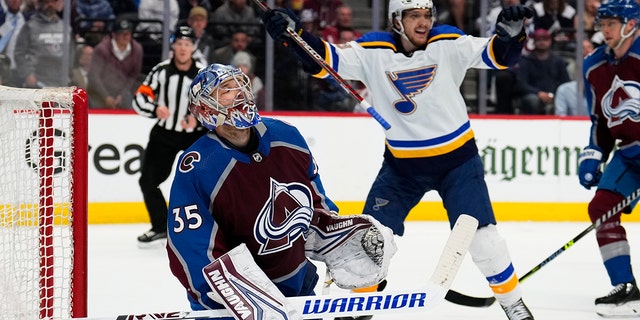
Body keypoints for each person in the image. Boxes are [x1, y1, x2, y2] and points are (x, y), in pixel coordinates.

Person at [260, 1, 536, 319]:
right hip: (402, 167)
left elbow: (497, 56)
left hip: (458, 163)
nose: (423, 23)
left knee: (483, 240)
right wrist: (294, 36)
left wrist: (511, 38)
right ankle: (357, 311)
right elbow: (323, 60)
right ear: (396, 20)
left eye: (427, 15)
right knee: (366, 240)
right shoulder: (372, 50)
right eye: (414, 16)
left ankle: (513, 303)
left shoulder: (447, 43)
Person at [166, 63, 396, 314]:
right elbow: (192, 248)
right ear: (205, 108)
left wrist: (336, 234)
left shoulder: (286, 136)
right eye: (226, 90)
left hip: (296, 292)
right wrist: (245, 299)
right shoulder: (198, 166)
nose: (240, 92)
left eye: (241, 85)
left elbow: (315, 203)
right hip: (233, 308)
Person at [579, 0, 640, 317]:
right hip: (631, 153)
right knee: (601, 208)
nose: (604, 29)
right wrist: (594, 154)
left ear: (630, 24)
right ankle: (625, 288)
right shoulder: (594, 66)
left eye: (611, 23)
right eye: (602, 23)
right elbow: (600, 122)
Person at [132, 26, 207, 246]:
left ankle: (206, 228)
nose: (183, 48)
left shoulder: (203, 73)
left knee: (205, 183)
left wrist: (199, 117)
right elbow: (139, 98)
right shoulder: (161, 71)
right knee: (148, 181)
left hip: (195, 136)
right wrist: (155, 109)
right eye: (180, 43)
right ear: (173, 45)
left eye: (188, 44)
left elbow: (215, 104)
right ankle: (160, 225)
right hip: (164, 134)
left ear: (193, 47)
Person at [14, 0, 75, 88]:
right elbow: (19, 53)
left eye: (53, 1)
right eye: (46, 2)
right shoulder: (30, 26)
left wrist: (69, 73)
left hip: (60, 81)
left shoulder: (65, 27)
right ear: (40, 4)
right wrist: (27, 74)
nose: (50, 4)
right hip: (37, 82)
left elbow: (71, 53)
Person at [88, 16, 143, 109]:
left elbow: (133, 75)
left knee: (131, 106)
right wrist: (106, 97)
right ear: (114, 34)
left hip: (122, 93)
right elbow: (94, 76)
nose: (126, 36)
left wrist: (122, 94)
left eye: (128, 33)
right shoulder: (102, 49)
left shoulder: (137, 49)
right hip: (100, 93)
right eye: (122, 33)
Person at [515, 28, 571, 114]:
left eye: (545, 40)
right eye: (539, 40)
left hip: (555, 94)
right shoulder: (526, 61)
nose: (542, 42)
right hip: (533, 95)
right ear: (533, 42)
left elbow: (565, 82)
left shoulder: (558, 61)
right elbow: (522, 84)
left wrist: (554, 95)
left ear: (550, 41)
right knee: (532, 100)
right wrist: (538, 93)